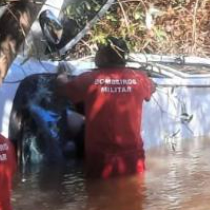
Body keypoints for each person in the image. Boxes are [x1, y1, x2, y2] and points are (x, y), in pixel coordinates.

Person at [58, 37, 155, 179]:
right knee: (134, 191)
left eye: (98, 51)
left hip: (100, 161)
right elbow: (152, 87)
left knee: (97, 192)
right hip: (133, 159)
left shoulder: (89, 79)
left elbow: (63, 89)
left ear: (104, 56)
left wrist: (61, 76)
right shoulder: (139, 79)